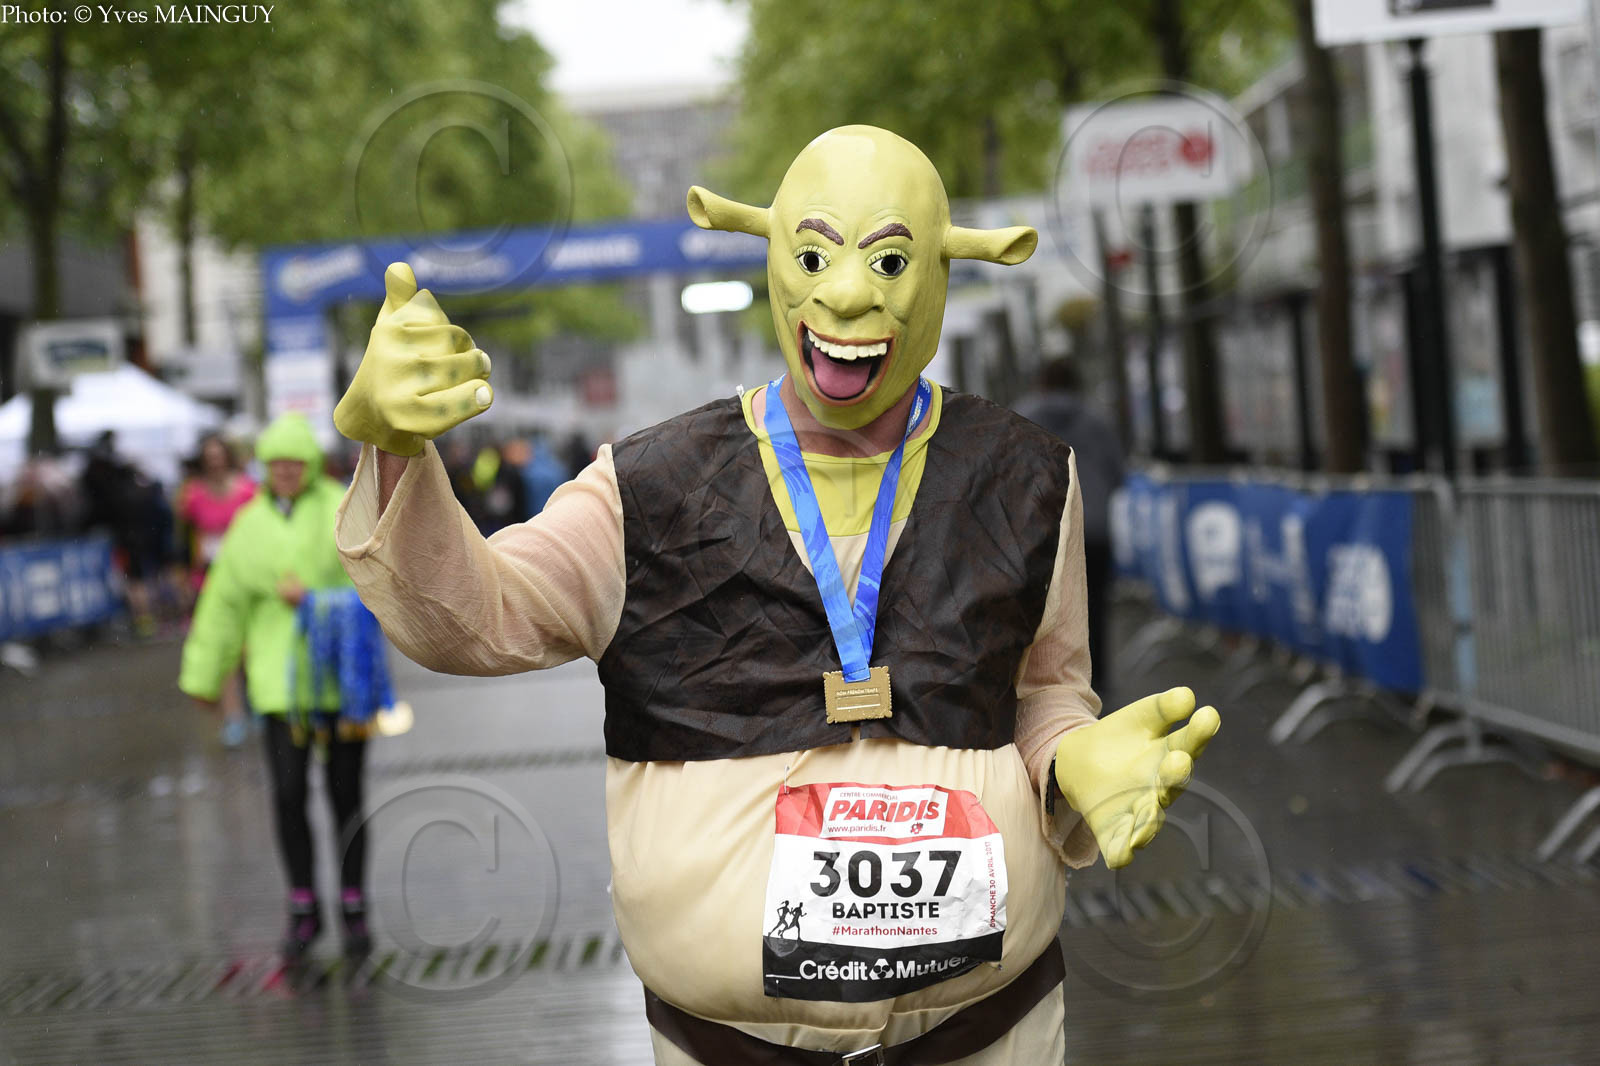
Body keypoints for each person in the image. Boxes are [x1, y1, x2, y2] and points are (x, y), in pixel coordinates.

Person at [332, 126, 1219, 1063]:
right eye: (814, 256)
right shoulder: (647, 487)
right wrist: (392, 449)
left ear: (943, 272)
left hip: (991, 1037)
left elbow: (1043, 691)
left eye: (889, 261)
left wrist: (1074, 756)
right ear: (772, 261)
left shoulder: (1030, 477)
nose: (848, 295)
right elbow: (473, 619)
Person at [178, 414, 372, 962]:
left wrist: (316, 600)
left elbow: (379, 585)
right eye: (276, 463)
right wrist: (203, 677)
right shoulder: (248, 525)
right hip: (277, 688)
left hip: (341, 683)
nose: (286, 471)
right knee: (288, 797)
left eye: (295, 462)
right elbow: (222, 605)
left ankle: (354, 904)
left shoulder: (343, 507)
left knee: (346, 798)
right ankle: (303, 906)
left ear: (310, 464)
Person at [1014, 359, 1127, 701]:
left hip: (1040, 530)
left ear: (1040, 382)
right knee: (1095, 607)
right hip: (1094, 528)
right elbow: (1118, 472)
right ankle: (1097, 679)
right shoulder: (1098, 421)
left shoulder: (1020, 417)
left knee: (1041, 607)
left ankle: (1046, 687)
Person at [177, 433, 257, 748]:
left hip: (246, 578)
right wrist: (184, 574)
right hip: (209, 582)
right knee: (224, 650)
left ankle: (257, 703)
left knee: (249, 647)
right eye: (209, 457)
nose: (215, 462)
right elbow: (185, 537)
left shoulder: (248, 491)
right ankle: (234, 716)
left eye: (219, 456)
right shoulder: (192, 495)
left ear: (227, 457)